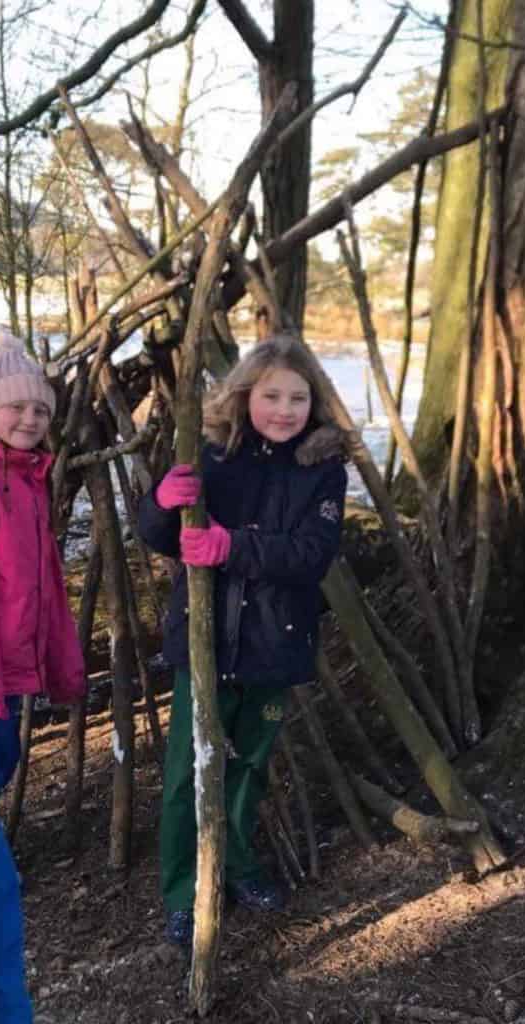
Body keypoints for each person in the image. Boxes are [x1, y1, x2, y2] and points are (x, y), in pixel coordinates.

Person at [138, 336, 348, 949]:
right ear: (244, 395)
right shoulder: (211, 454)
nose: (284, 409)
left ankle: (237, 865)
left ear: (316, 404)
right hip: (204, 645)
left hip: (274, 646)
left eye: (298, 398)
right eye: (271, 395)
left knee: (250, 763)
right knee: (187, 773)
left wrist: (235, 547)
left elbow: (313, 553)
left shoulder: (322, 469)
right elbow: (154, 532)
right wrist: (162, 503)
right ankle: (183, 889)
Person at [0, 326, 86, 1022]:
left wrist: (60, 668)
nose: (29, 418)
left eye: (41, 409)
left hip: (5, 690)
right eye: (14, 406)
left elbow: (41, 587)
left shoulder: (26, 482)